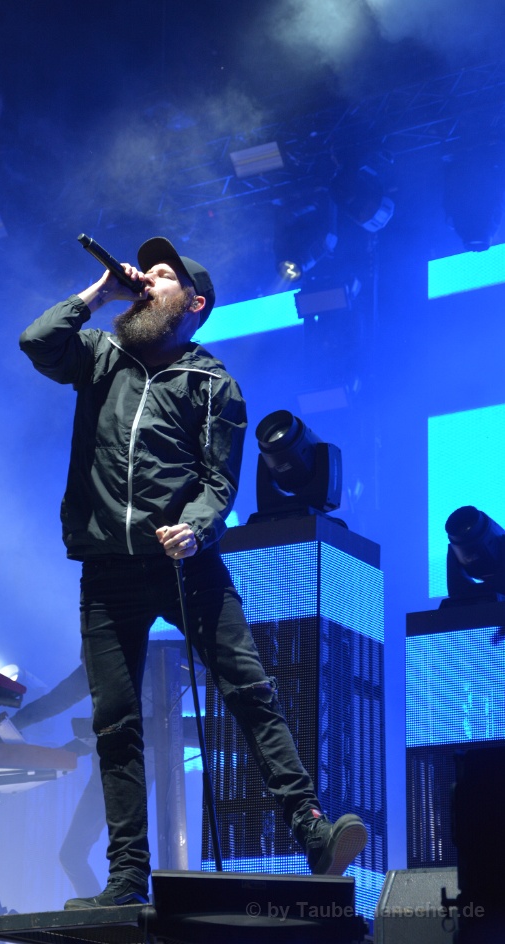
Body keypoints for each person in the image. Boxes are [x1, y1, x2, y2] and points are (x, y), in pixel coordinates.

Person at [18, 236, 368, 909]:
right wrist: (101, 293)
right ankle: (127, 878)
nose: (146, 279)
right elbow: (37, 342)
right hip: (107, 569)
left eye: (161, 275)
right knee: (115, 722)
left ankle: (313, 832)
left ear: (193, 303)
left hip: (185, 563)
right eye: (143, 272)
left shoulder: (213, 384)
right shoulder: (100, 356)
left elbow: (218, 483)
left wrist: (198, 527)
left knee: (250, 690)